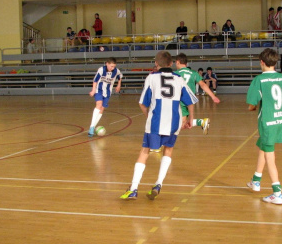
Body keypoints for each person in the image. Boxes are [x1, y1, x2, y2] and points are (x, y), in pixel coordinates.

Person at [120, 51, 198, 200]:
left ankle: (134, 188)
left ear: (156, 64)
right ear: (171, 64)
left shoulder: (151, 78)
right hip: (174, 123)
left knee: (145, 152)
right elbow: (191, 101)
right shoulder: (179, 79)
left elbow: (142, 103)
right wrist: (190, 119)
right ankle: (158, 184)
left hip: (156, 122)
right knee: (168, 151)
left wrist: (148, 116)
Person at [246, 48, 282, 205]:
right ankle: (255, 181)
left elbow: (251, 105)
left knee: (270, 156)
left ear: (262, 62)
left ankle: (277, 193)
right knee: (262, 147)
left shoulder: (259, 80)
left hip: (267, 123)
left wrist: (253, 108)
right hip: (280, 121)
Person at [175, 53, 220, 135]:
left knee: (176, 125)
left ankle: (158, 145)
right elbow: (203, 85)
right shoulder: (194, 73)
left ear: (177, 62)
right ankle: (201, 122)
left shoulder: (175, 73)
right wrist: (213, 96)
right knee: (181, 124)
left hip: (179, 100)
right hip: (189, 101)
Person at [88, 57, 123, 137]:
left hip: (107, 92)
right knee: (99, 105)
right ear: (106, 64)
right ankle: (91, 128)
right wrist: (93, 90)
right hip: (99, 90)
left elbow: (119, 76)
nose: (112, 68)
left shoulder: (116, 71)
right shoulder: (101, 70)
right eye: (111, 66)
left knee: (102, 109)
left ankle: (92, 127)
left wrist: (118, 85)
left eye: (114, 66)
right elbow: (95, 80)